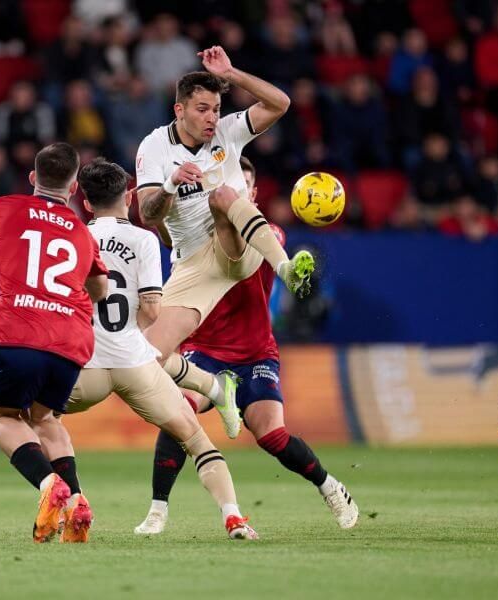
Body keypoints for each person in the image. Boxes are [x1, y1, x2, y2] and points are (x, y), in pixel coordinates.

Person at [137, 157, 358, 534]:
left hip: (255, 352)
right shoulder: (196, 239)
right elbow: (168, 232)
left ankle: (331, 487)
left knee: (272, 435)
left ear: (251, 194)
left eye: (243, 186)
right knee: (178, 418)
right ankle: (158, 511)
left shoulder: (268, 232)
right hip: (203, 350)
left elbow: (248, 247)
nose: (236, 191)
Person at [62, 158, 258, 540]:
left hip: (87, 366)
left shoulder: (72, 238)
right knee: (196, 439)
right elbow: (152, 309)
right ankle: (233, 517)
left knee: (34, 420)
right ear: (129, 196)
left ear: (85, 202)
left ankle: (71, 499)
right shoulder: (144, 239)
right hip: (136, 363)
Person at [134, 46, 314, 429]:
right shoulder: (154, 147)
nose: (212, 117)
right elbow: (146, 213)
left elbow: (280, 103)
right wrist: (168, 185)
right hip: (195, 263)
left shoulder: (229, 132)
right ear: (179, 110)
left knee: (223, 196)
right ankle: (216, 390)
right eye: (202, 109)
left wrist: (232, 74)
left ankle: (284, 266)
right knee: (144, 358)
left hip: (240, 247)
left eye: (216, 108)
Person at [0, 143, 109, 543]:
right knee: (46, 418)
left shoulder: (2, 208)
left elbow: (19, 278)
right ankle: (75, 503)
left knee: (1, 415)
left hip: (19, 334)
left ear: (34, 178)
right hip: (70, 342)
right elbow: (101, 289)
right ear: (73, 187)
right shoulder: (82, 234)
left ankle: (48, 485)